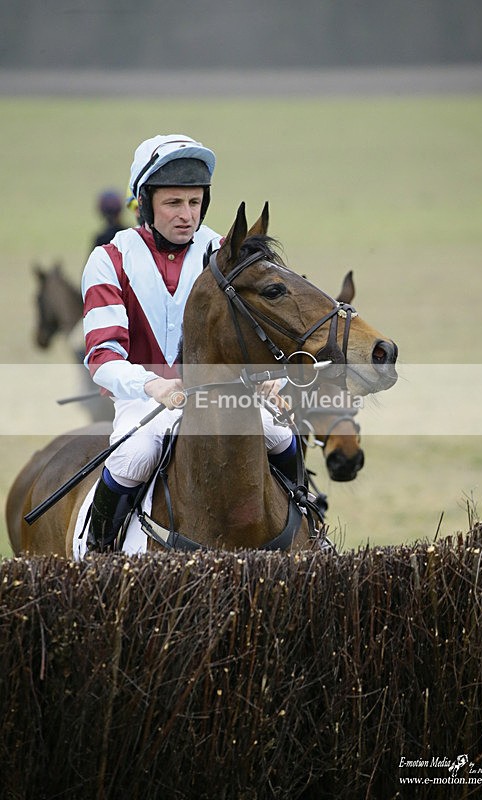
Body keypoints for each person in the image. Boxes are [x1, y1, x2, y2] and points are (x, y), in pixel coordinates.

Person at [82, 134, 298, 552]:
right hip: (145, 400)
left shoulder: (222, 253)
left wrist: (271, 378)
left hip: (224, 394)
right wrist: (154, 386)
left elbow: (263, 328)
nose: (187, 215)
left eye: (195, 203)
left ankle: (307, 522)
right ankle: (99, 555)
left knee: (281, 435)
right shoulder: (109, 259)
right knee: (133, 458)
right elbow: (102, 356)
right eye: (173, 203)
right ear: (145, 203)